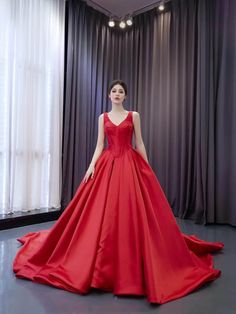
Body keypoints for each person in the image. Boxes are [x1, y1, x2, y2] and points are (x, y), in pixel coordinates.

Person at [13, 79, 223, 304]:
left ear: (125, 96)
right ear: (108, 95)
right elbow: (100, 145)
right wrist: (91, 166)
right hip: (108, 164)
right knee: (101, 214)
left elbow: (139, 143)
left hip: (130, 164)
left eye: (121, 91)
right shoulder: (102, 118)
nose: (117, 94)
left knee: (130, 212)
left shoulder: (134, 116)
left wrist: (147, 168)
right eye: (114, 91)